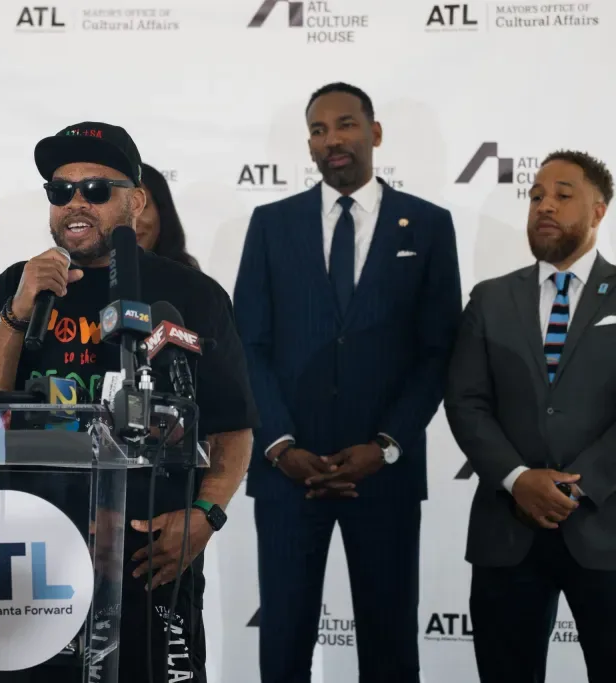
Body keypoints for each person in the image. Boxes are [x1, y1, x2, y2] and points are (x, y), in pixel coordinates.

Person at [0, 121, 258, 681]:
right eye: (60, 189)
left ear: (136, 201)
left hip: (149, 553)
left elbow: (233, 427)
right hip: (31, 555)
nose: (75, 202)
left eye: (96, 190)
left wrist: (205, 515)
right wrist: (20, 307)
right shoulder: (19, 287)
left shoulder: (189, 293)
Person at [233, 82, 462, 683]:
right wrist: (280, 446)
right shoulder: (270, 224)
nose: (331, 140)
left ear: (374, 132)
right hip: (288, 476)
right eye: (317, 130)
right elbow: (248, 346)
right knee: (283, 643)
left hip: (382, 475)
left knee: (390, 644)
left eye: (345, 125)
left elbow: (438, 353)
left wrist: (386, 445)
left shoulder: (431, 226)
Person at [444, 150, 616, 683]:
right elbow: (466, 401)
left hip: (606, 528)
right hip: (506, 529)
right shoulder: (491, 298)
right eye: (537, 195)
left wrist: (578, 484)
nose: (545, 205)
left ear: (598, 211)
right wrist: (519, 480)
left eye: (564, 195)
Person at [136, 162, 200, 269]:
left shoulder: (193, 282)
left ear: (162, 210)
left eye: (141, 206)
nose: (132, 222)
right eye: (119, 210)